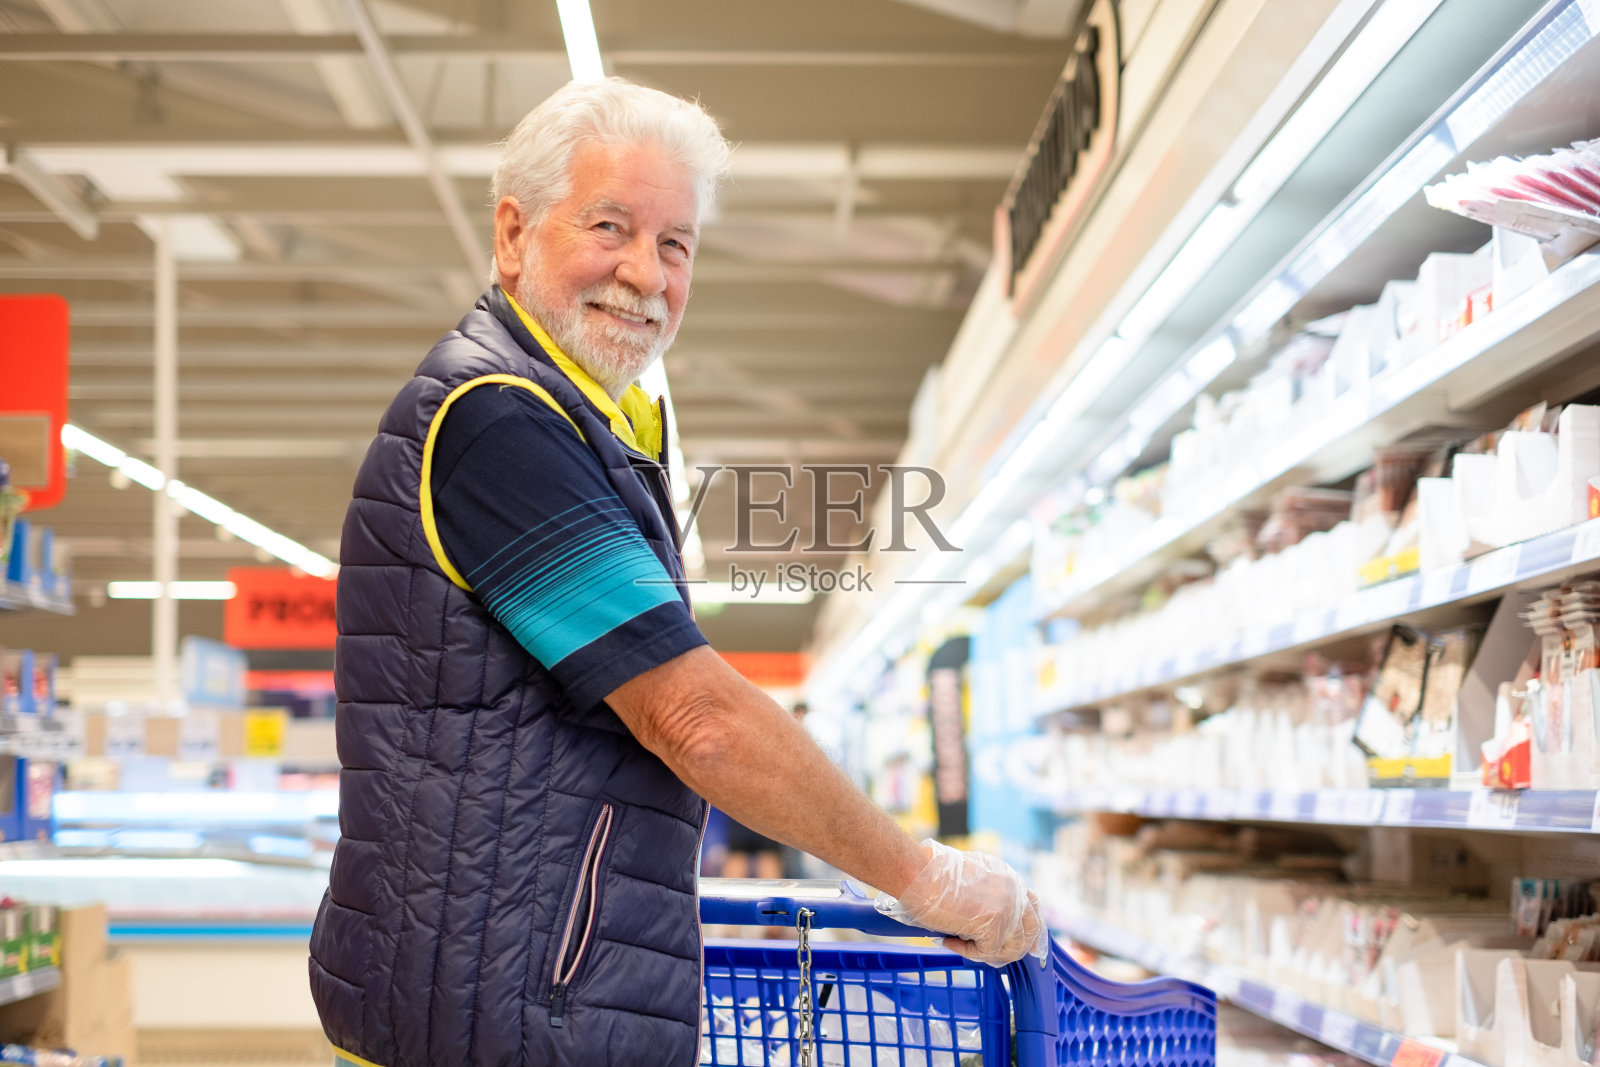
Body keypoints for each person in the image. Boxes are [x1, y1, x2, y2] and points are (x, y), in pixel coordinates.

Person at [308, 77, 1042, 1067]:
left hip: (505, 993)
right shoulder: (496, 419)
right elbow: (696, 718)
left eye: (675, 243)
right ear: (513, 234)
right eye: (609, 225)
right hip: (499, 1014)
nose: (646, 274)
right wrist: (922, 874)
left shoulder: (577, 424)